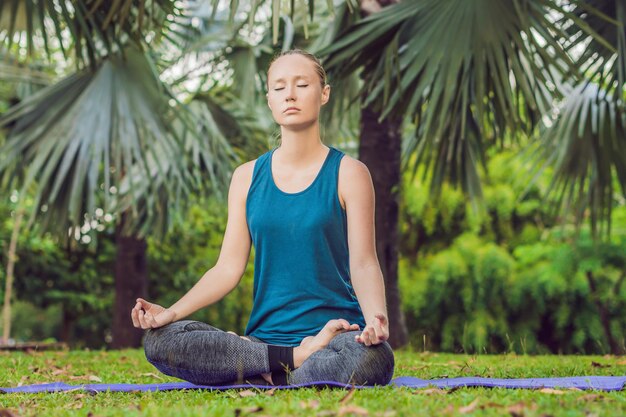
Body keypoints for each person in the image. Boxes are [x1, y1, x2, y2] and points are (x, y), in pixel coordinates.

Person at [130, 49, 395, 387]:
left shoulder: (349, 173)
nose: (291, 94)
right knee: (160, 340)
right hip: (265, 342)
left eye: (302, 84)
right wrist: (171, 313)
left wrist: (375, 320)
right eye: (279, 87)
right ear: (269, 99)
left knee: (374, 358)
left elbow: (364, 262)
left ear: (324, 93)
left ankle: (270, 371)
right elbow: (227, 269)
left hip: (338, 336)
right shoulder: (246, 177)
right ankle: (292, 362)